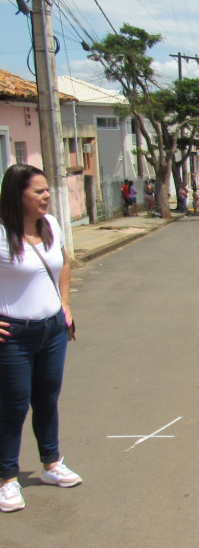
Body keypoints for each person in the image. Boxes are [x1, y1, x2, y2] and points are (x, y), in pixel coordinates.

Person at [0, 164, 82, 513]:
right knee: (14, 406)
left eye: (48, 190)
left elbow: (63, 263)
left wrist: (64, 303)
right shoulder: (2, 234)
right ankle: (7, 479)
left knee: (47, 399)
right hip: (13, 335)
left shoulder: (50, 226)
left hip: (52, 330)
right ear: (17, 195)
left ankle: (52, 463)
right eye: (38, 191)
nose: (47, 196)